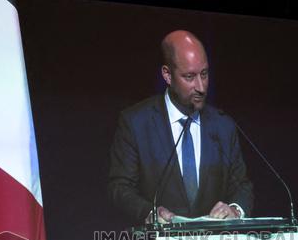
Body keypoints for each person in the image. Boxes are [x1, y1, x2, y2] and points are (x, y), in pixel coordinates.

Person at [108, 30, 254, 225]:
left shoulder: (223, 126)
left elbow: (242, 186)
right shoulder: (136, 122)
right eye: (189, 77)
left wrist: (235, 210)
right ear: (167, 75)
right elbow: (120, 187)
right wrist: (149, 212)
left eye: (204, 74)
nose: (201, 87)